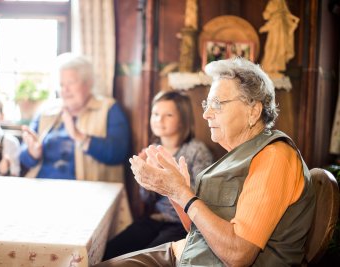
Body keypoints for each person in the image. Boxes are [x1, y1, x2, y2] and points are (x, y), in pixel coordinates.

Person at [94, 57, 316, 266]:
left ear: (253, 111)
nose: (206, 114)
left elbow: (238, 255)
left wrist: (183, 193)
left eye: (217, 104)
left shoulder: (274, 157)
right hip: (185, 253)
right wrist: (172, 190)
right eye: (207, 105)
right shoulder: (238, 155)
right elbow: (197, 230)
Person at [103, 91, 213, 260]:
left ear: (183, 119)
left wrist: (168, 180)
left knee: (145, 259)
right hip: (156, 219)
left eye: (168, 115)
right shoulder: (152, 149)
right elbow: (147, 199)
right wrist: (143, 176)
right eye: (155, 114)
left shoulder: (197, 150)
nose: (159, 120)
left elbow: (203, 197)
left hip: (183, 224)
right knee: (112, 251)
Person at [20, 53, 130, 182]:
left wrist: (79, 137)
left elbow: (119, 153)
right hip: (43, 187)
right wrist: (32, 153)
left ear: (88, 83)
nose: (65, 90)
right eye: (61, 85)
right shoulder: (46, 111)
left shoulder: (108, 108)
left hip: (90, 193)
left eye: (70, 83)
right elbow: (23, 157)